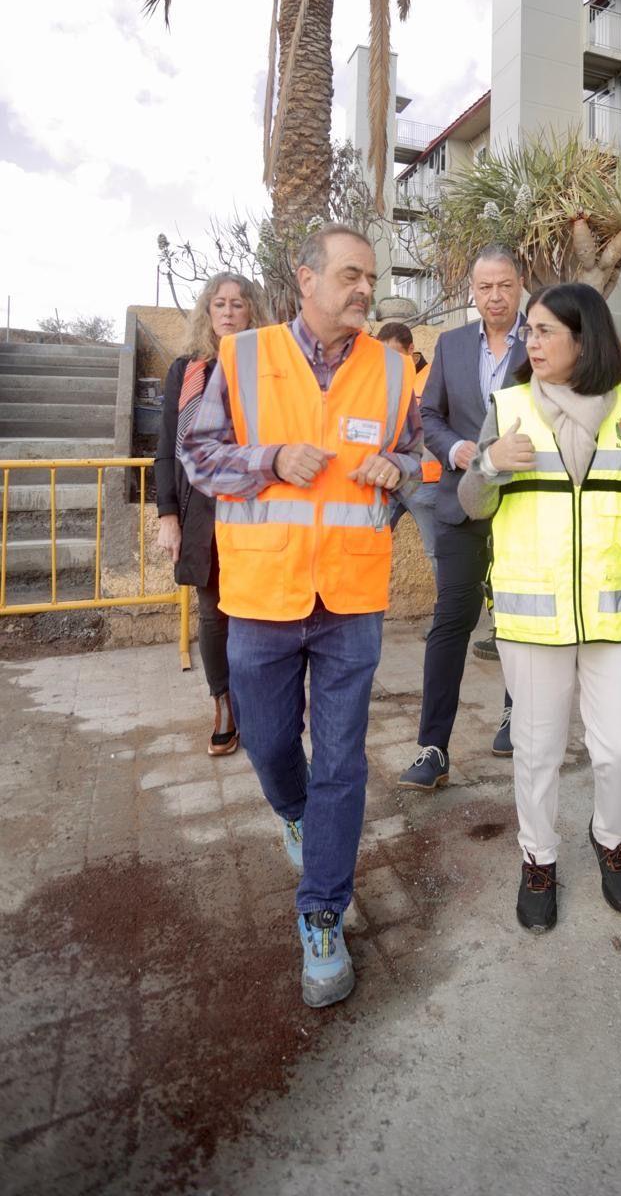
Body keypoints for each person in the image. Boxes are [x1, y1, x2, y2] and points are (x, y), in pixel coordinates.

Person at [183, 225, 421, 1009]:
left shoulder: (392, 370)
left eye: (370, 278)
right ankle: (293, 814)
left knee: (343, 762)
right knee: (270, 740)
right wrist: (271, 459)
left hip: (351, 600)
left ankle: (321, 913)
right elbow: (198, 455)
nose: (363, 289)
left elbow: (415, 461)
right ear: (306, 277)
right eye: (351, 275)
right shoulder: (244, 358)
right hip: (261, 596)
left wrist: (400, 471)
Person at [458, 282, 621, 934]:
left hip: (615, 616)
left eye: (544, 331)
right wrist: (489, 462)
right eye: (528, 331)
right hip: (533, 621)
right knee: (537, 753)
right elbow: (469, 503)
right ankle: (538, 858)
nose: (530, 342)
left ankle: (611, 838)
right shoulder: (506, 408)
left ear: (582, 340)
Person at [397, 244, 526, 791]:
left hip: (524, 507)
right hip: (458, 503)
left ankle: (515, 717)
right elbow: (429, 414)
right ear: (471, 292)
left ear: (519, 285)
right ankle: (434, 748)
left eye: (504, 285)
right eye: (484, 287)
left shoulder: (541, 341)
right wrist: (453, 450)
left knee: (520, 619)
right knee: (451, 622)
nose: (494, 296)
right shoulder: (448, 346)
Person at [155, 271, 270, 756]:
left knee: (257, 610)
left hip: (255, 502)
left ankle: (259, 700)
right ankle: (222, 700)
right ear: (208, 311)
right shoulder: (187, 370)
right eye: (219, 304)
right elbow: (167, 447)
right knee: (213, 611)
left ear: (252, 313)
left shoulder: (265, 366)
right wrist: (167, 515)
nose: (227, 312)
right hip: (200, 507)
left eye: (238, 304)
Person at [376, 320, 439, 569]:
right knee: (370, 545)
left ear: (411, 351)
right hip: (389, 481)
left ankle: (448, 609)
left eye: (394, 354)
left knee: (436, 553)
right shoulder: (382, 380)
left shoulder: (435, 378)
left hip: (426, 482)